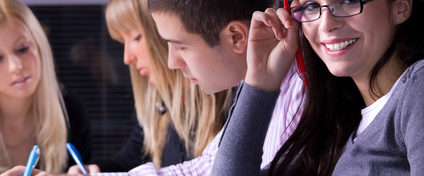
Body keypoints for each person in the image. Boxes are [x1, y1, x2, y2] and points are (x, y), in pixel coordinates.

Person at [211, 0, 424, 174]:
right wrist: (261, 79)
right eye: (311, 6)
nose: (326, 24)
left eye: (348, 1)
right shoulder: (333, 134)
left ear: (401, 6)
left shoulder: (417, 88)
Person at [66, 0, 233, 174]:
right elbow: (126, 163)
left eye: (136, 37)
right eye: (122, 42)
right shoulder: (159, 106)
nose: (127, 58)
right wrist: (94, 170)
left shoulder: (232, 99)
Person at [0, 0, 91, 174]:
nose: (16, 66)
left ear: (40, 45)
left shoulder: (71, 112)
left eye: (22, 49)